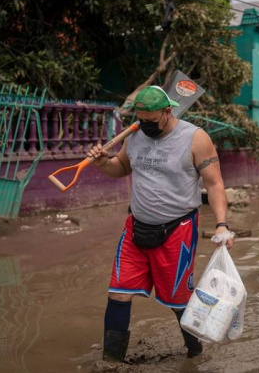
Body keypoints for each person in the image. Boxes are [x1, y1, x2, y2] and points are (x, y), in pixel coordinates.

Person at [86, 86, 234, 362]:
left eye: (151, 121)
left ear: (168, 112)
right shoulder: (135, 135)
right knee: (118, 293)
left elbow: (214, 184)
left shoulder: (195, 139)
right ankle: (111, 361)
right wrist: (102, 163)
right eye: (141, 120)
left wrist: (222, 224)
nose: (146, 126)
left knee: (179, 302)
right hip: (136, 228)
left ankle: (196, 355)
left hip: (177, 231)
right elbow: (122, 167)